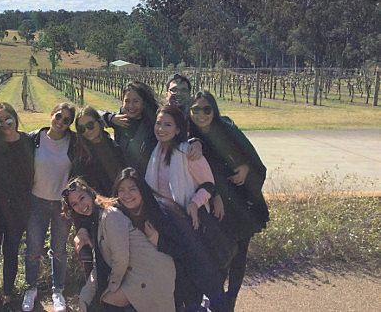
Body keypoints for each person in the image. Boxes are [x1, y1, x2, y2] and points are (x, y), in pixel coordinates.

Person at [188, 91, 269, 311]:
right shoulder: (190, 134)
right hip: (213, 204)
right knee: (219, 256)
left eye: (207, 109)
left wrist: (246, 169)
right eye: (196, 109)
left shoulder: (227, 129)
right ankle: (217, 301)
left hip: (241, 204)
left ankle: (229, 302)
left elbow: (256, 162)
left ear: (214, 111)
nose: (201, 114)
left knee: (238, 258)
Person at [145, 104, 227, 312]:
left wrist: (194, 203)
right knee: (182, 283)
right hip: (167, 224)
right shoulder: (156, 151)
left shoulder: (187, 152)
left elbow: (209, 184)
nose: (161, 129)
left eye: (167, 125)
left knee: (205, 277)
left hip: (190, 224)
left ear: (178, 129)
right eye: (158, 123)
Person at [63, 175, 176, 312]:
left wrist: (111, 286)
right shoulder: (96, 221)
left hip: (151, 272)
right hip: (135, 274)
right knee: (102, 299)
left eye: (82, 198)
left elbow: (120, 258)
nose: (81, 206)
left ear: (90, 193)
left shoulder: (110, 215)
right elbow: (99, 267)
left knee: (108, 299)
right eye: (74, 204)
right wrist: (84, 296)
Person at [22, 102, 77, 312]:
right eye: (58, 116)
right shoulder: (35, 138)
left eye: (66, 120)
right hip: (37, 201)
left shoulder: (73, 142)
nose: (61, 122)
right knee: (33, 248)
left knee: (59, 250)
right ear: (51, 115)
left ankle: (58, 291)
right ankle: (31, 288)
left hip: (62, 204)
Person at [0, 102, 34, 310]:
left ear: (15, 117)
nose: (5, 124)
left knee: (11, 252)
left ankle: (8, 294)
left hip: (18, 209)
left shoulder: (28, 141)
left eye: (8, 118)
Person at [100, 82, 201, 177]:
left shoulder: (155, 122)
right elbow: (94, 115)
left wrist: (195, 142)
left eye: (136, 101)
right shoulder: (119, 119)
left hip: (148, 179)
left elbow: (177, 136)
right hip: (124, 179)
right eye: (127, 101)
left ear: (144, 102)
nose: (131, 106)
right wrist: (109, 117)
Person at [73, 105, 125, 196]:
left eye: (90, 125)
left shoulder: (114, 146)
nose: (87, 130)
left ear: (99, 122)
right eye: (81, 129)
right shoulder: (81, 156)